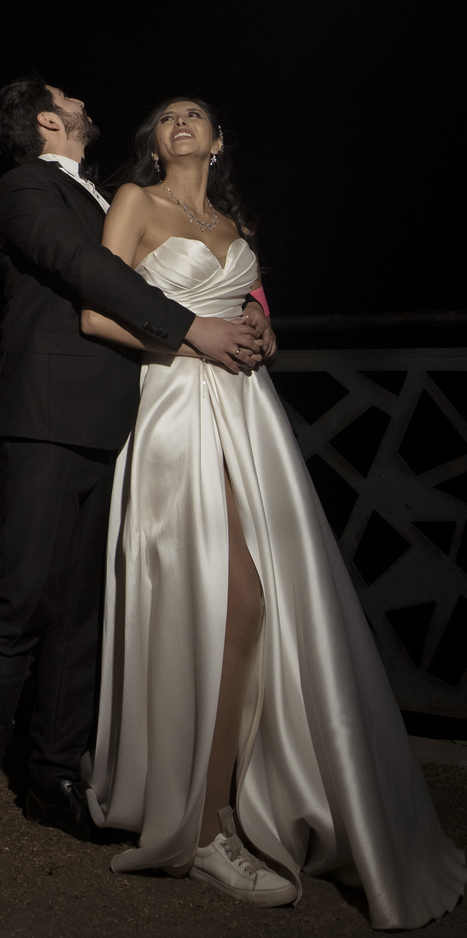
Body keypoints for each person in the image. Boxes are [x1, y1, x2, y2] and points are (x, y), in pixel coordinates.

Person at [80, 96, 464, 926]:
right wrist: (197, 339)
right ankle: (203, 826)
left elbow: (256, 313)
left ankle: (246, 788)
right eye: (167, 115)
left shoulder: (231, 219)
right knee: (235, 598)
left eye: (197, 113)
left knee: (272, 605)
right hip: (178, 409)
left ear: (218, 141)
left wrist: (257, 330)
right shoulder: (134, 203)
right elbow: (96, 311)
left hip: (251, 415)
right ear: (154, 140)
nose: (180, 120)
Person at [0, 76, 269, 867]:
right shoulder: (25, 188)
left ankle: (54, 781)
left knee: (79, 615)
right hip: (42, 419)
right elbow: (86, 270)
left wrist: (255, 308)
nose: (82, 103)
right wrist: (193, 332)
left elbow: (195, 250)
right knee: (16, 600)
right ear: (48, 117)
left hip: (122, 425)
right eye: (68, 98)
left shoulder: (109, 194)